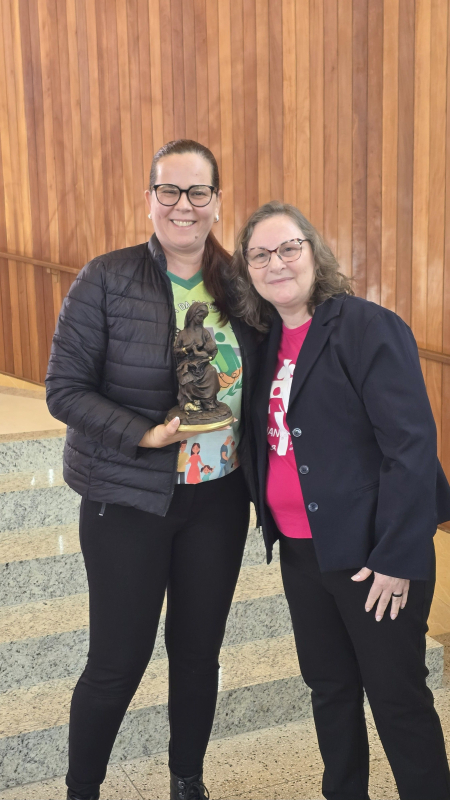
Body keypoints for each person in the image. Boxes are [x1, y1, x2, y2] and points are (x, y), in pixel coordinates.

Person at [46, 139, 260, 800]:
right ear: (149, 199)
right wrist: (144, 433)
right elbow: (64, 390)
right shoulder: (106, 278)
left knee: (197, 657)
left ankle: (187, 780)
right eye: (169, 190)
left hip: (218, 500)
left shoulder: (241, 285)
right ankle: (83, 788)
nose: (183, 205)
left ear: (218, 202)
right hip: (127, 499)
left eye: (198, 192)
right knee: (117, 661)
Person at [230, 200, 450, 800]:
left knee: (397, 699)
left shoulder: (366, 326)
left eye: (288, 248)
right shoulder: (264, 343)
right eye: (259, 255)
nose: (276, 263)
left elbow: (411, 447)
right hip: (302, 552)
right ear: (247, 270)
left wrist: (397, 557)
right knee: (329, 690)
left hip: (372, 556)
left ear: (314, 251)